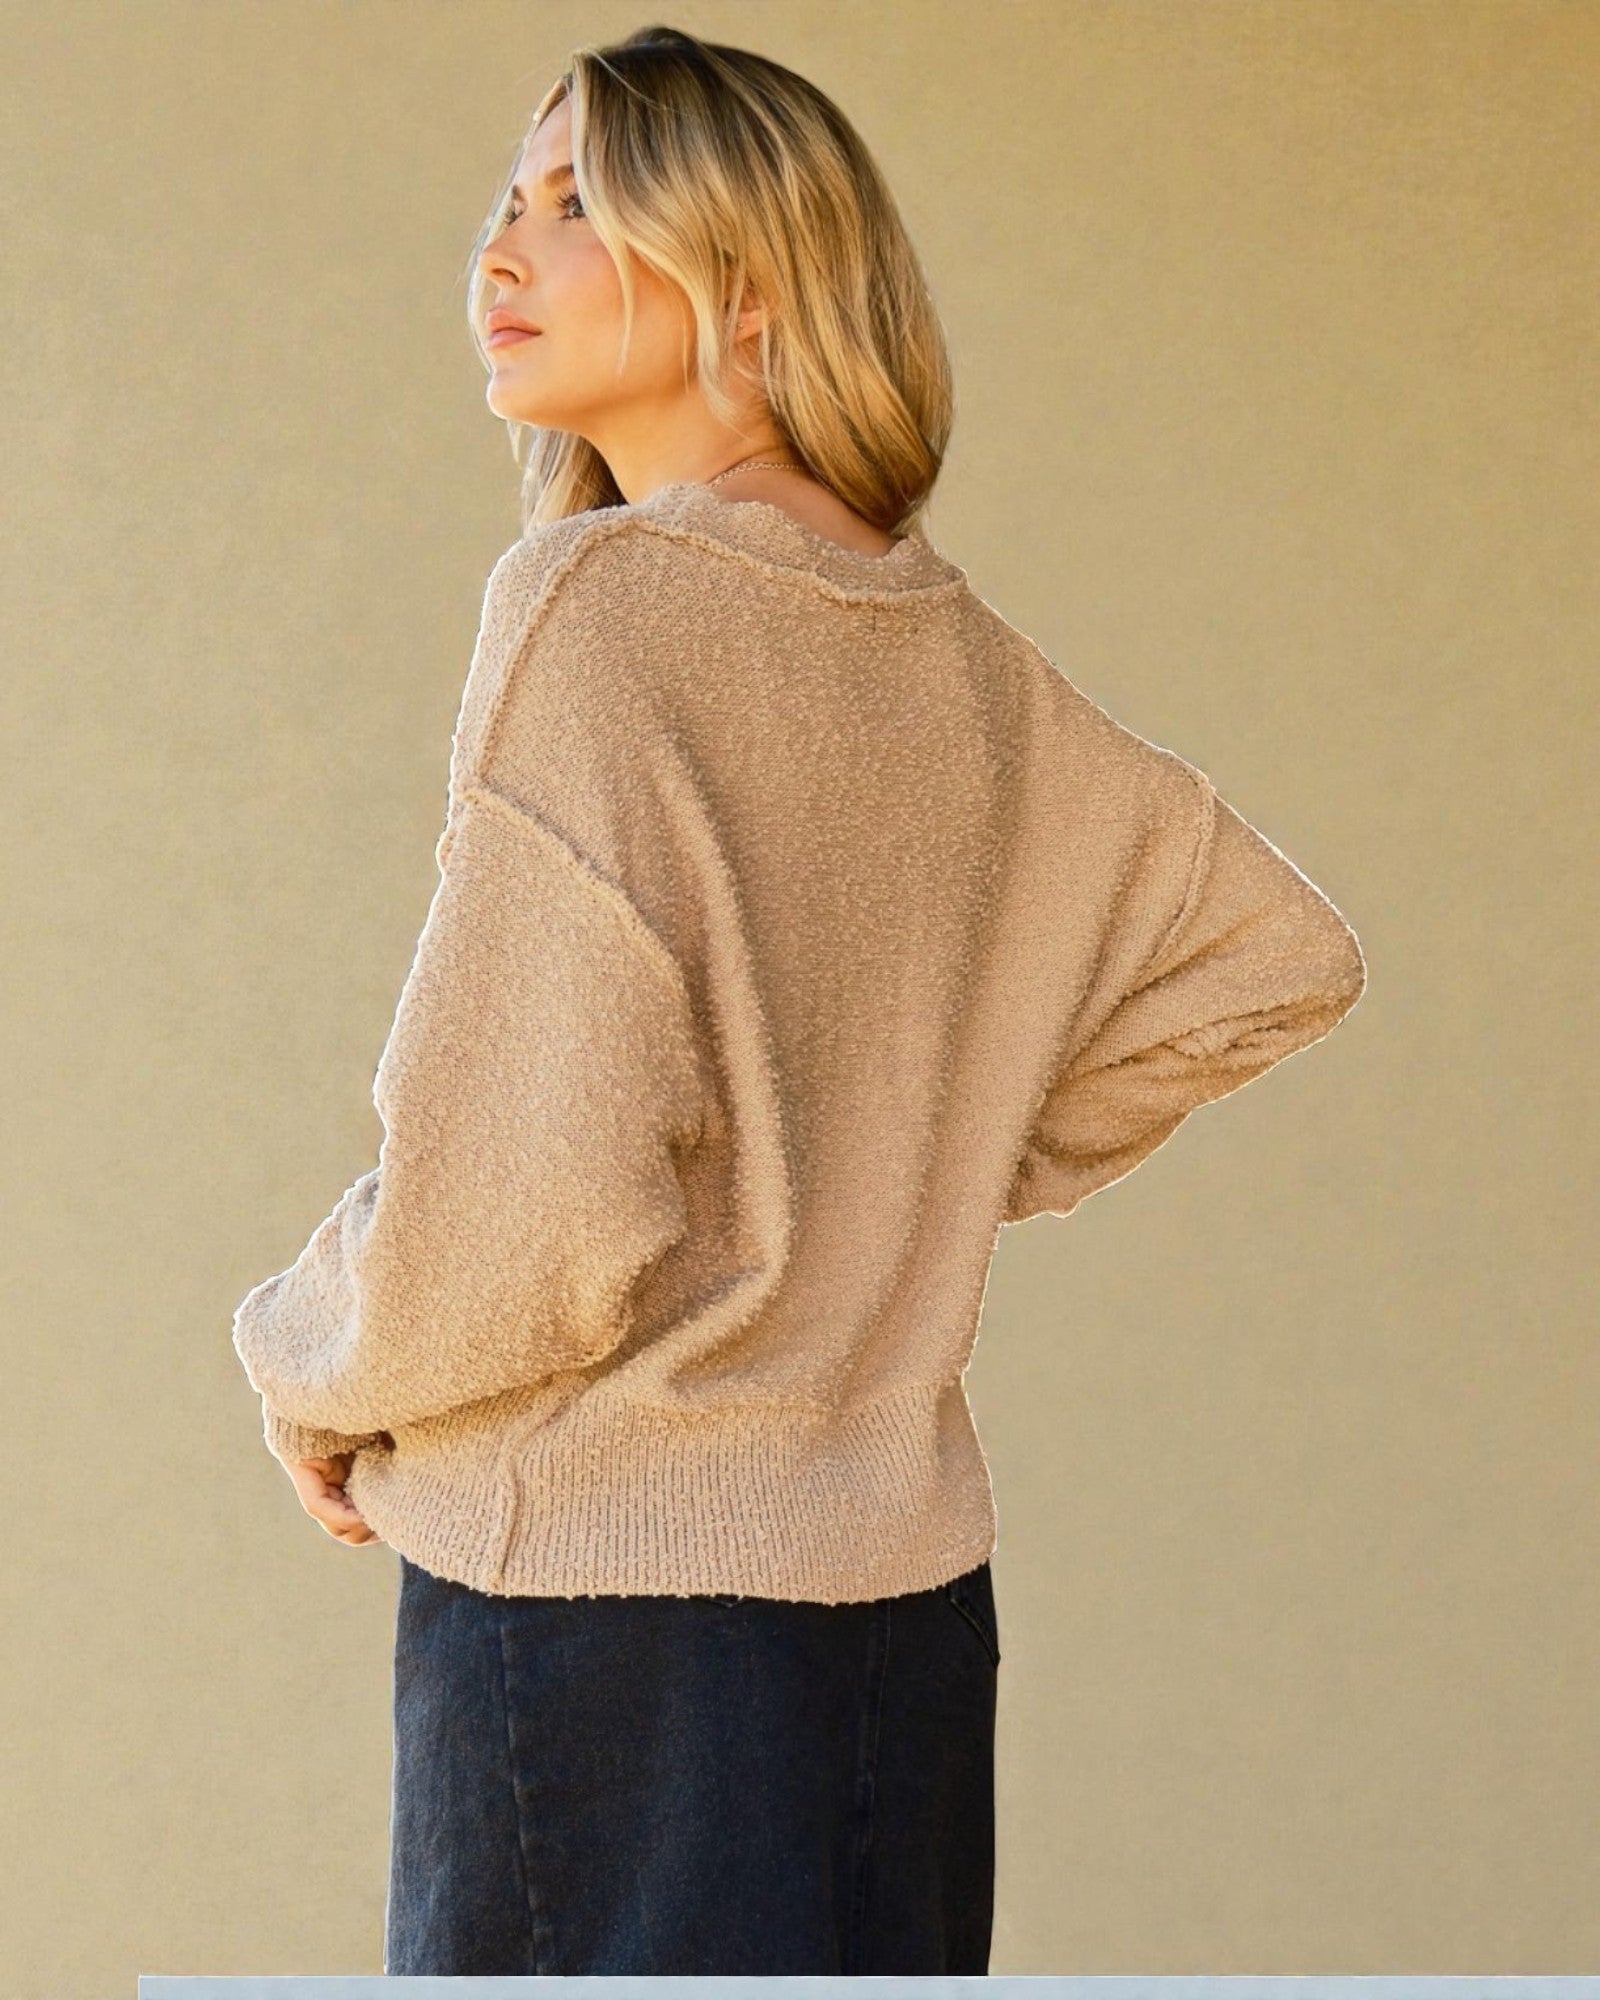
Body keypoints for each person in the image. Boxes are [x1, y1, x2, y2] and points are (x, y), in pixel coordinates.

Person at [231, 21, 1368, 1980]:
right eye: (503, 201)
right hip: (901, 1619)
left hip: (609, 1623)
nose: (500, 251)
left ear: (746, 278)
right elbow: (1268, 952)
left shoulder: (597, 616)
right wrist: (910, 1153)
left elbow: (522, 1208)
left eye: (578, 203)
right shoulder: (963, 661)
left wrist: (308, 1359)